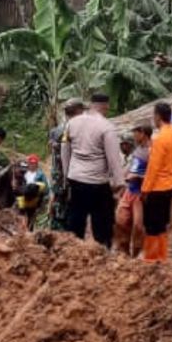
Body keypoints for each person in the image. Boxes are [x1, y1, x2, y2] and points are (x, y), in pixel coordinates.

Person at [62, 93, 125, 248]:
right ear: (106, 106)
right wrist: (119, 182)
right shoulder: (106, 127)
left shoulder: (72, 123)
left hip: (76, 180)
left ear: (90, 105)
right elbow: (114, 158)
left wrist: (66, 176)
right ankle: (102, 252)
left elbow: (65, 151)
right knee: (102, 223)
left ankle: (72, 252)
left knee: (76, 219)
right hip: (98, 183)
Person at [141, 102, 172, 263]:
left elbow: (153, 168)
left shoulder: (159, 139)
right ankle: (162, 257)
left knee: (152, 225)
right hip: (170, 185)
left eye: (154, 115)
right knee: (162, 224)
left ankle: (152, 259)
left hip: (156, 187)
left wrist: (145, 190)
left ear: (158, 116)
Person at [49, 99, 87, 230]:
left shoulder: (55, 131)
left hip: (57, 178)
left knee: (58, 209)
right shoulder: (75, 130)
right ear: (79, 111)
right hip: (71, 178)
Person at [115, 125, 152, 255]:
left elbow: (155, 173)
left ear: (143, 134)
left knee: (138, 226)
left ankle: (136, 254)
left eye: (136, 133)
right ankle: (123, 252)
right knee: (121, 220)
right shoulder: (137, 153)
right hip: (129, 190)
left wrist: (137, 176)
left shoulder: (151, 152)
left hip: (140, 193)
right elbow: (129, 171)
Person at [15, 154, 50, 230]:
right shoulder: (23, 173)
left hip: (34, 200)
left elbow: (46, 189)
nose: (32, 165)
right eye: (31, 163)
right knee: (21, 217)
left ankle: (30, 232)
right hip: (22, 199)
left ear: (37, 164)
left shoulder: (41, 175)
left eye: (34, 163)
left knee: (31, 219)